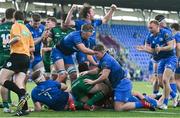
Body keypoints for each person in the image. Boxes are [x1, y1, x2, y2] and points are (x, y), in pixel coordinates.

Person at [81, 44, 154, 111]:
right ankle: (151, 101)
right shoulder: (103, 59)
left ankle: (143, 103)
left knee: (118, 108)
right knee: (126, 100)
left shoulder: (107, 60)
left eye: (96, 53)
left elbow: (104, 76)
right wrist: (87, 72)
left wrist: (92, 82)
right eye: (94, 53)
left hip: (121, 84)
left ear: (102, 52)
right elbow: (97, 70)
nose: (95, 55)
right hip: (119, 84)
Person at [136, 20, 178, 109]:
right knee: (161, 83)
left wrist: (161, 48)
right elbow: (152, 50)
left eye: (151, 27)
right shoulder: (149, 36)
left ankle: (165, 104)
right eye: (149, 27)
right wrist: (144, 49)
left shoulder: (166, 33)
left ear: (157, 26)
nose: (150, 29)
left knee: (165, 80)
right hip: (161, 60)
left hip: (171, 58)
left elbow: (171, 46)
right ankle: (174, 95)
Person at [0, 11, 34, 116]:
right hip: (26, 57)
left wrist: (8, 42)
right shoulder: (27, 29)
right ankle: (24, 109)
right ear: (24, 18)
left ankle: (22, 95)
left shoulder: (16, 25)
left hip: (17, 56)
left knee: (2, 79)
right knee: (19, 83)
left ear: (14, 18)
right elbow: (32, 47)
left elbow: (17, 38)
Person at [0, 8, 16, 113]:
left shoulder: (0, 27)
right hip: (11, 55)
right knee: (8, 80)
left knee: (4, 80)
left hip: (1, 55)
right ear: (14, 15)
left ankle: (7, 103)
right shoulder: (15, 27)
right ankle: (7, 104)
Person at [171, 23, 180, 93]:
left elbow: (178, 48)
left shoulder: (177, 35)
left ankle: (175, 96)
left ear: (173, 28)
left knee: (176, 79)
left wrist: (177, 59)